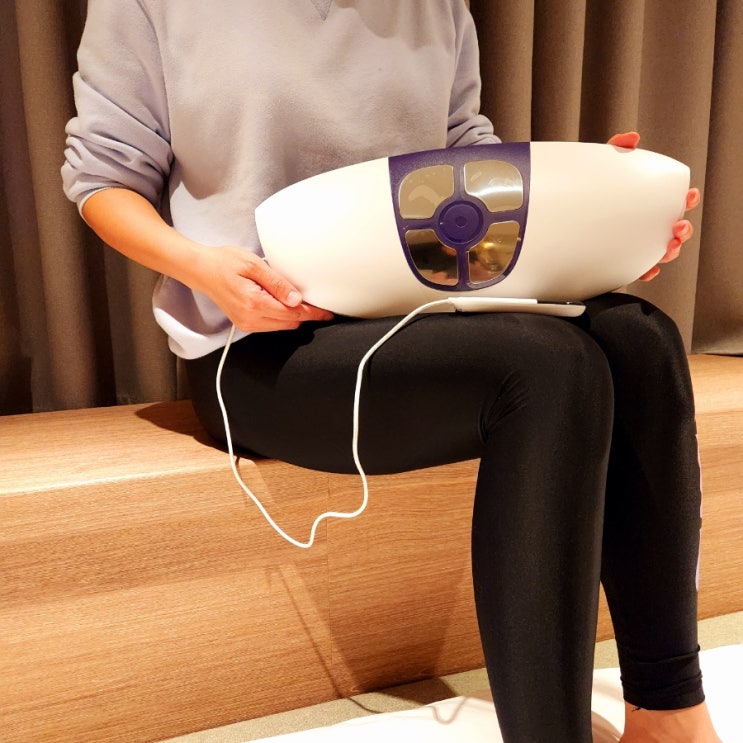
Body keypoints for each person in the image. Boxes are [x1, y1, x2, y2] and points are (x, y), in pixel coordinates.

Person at [61, 2, 723, 740]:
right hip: (261, 346)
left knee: (639, 337)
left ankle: (669, 714)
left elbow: (465, 159)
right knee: (551, 366)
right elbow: (103, 180)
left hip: (425, 311)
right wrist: (203, 268)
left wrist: (601, 210)